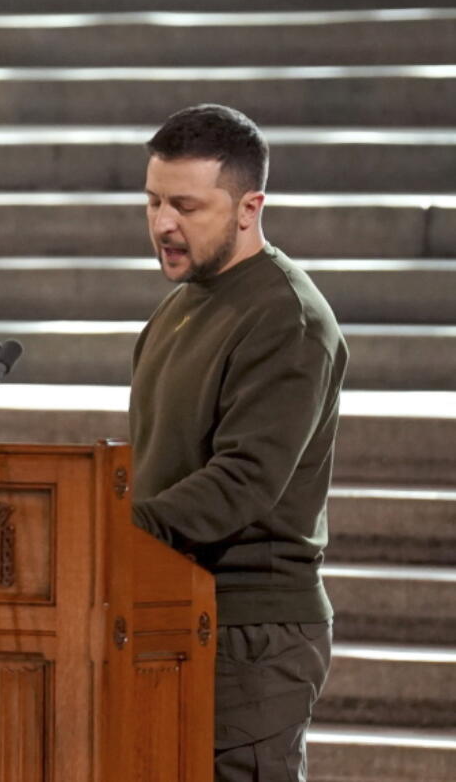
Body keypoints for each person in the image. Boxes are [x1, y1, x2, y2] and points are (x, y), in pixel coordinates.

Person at [129, 104, 348, 781]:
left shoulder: (287, 317)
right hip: (175, 607)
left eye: (187, 206)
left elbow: (243, 481)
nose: (164, 223)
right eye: (154, 202)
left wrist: (112, 529)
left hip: (252, 630)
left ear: (250, 206)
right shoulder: (183, 302)